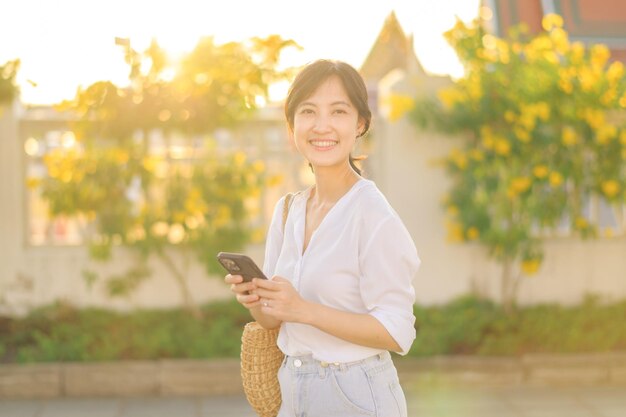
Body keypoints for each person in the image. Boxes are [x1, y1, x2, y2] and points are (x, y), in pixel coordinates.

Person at [225, 59, 420, 417]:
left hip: (356, 395)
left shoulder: (372, 214)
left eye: (338, 111)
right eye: (308, 111)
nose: (322, 126)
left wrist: (304, 309)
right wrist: (256, 298)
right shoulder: (288, 211)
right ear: (292, 126)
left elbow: (397, 332)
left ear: (360, 123)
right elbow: (273, 321)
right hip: (294, 392)